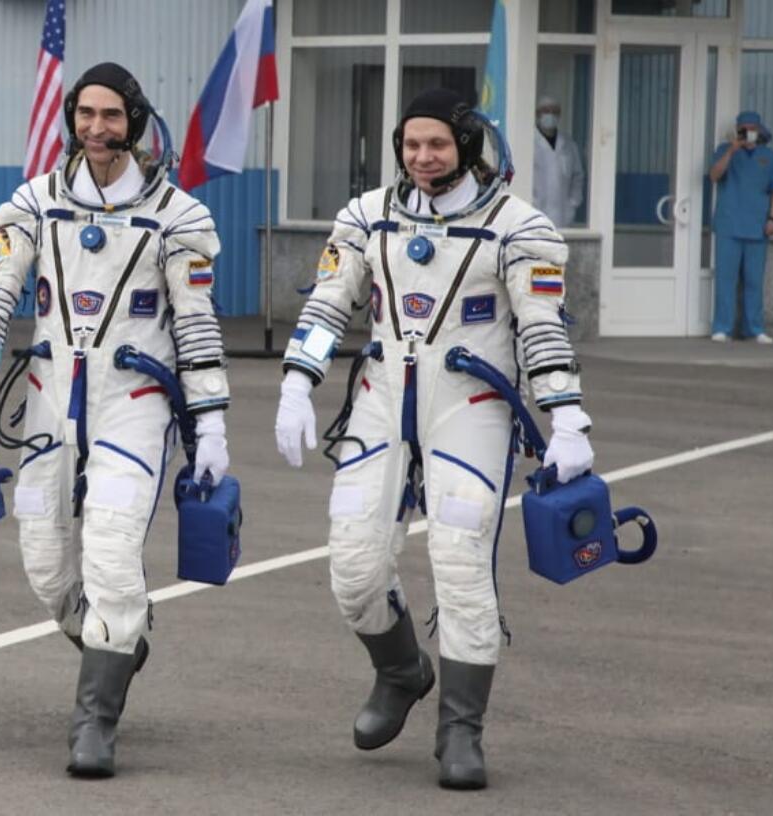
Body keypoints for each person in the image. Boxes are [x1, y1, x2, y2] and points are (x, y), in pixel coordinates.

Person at [273, 88, 594, 790]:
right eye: (412, 144)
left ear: (468, 145)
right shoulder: (367, 218)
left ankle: (460, 729)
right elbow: (330, 303)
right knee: (354, 567)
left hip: (469, 408)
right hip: (382, 404)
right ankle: (400, 671)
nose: (423, 157)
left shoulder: (519, 228)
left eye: (438, 144)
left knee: (458, 557)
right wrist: (299, 380)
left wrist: (566, 416)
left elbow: (543, 329)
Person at [0, 62, 230, 778]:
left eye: (111, 116)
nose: (96, 128)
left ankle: (95, 721)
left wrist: (212, 421)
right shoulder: (33, 204)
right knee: (45, 564)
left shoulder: (178, 218)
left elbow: (195, 328)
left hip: (133, 404)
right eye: (85, 114)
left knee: (109, 549)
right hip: (48, 401)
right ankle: (118, 636)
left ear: (135, 120)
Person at [708, 110, 773, 344]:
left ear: (759, 131)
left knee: (754, 280)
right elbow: (714, 176)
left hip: (757, 226)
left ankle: (754, 328)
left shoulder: (770, 157)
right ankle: (722, 327)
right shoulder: (724, 150)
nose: (747, 133)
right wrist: (731, 150)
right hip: (729, 224)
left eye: (752, 128)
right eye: (743, 128)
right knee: (725, 279)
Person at [532, 95, 585, 229]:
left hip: (562, 215)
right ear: (537, 114)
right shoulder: (529, 141)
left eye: (554, 111)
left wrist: (573, 203)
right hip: (534, 211)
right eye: (546, 111)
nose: (550, 115)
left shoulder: (568, 145)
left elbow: (577, 176)